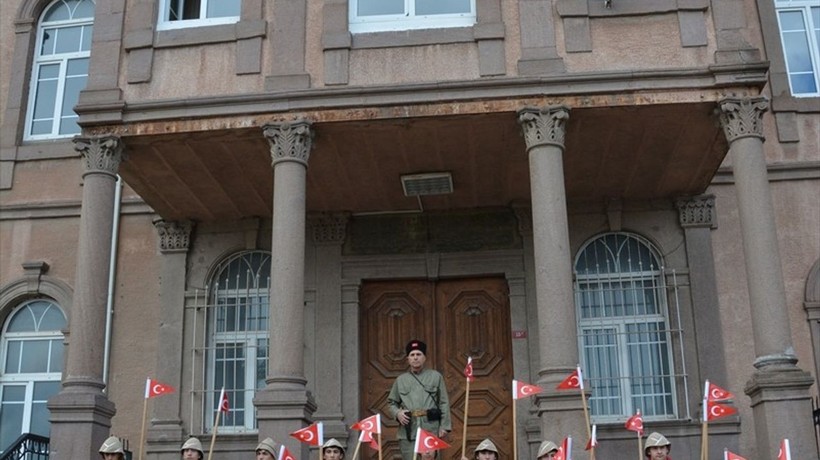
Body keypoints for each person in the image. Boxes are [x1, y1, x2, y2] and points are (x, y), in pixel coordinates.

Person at [388, 339, 452, 460]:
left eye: (418, 354)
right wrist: (397, 413)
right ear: (408, 359)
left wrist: (444, 425)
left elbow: (443, 402)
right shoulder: (401, 380)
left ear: (424, 358)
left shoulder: (435, 376)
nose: (415, 358)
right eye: (412, 355)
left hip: (430, 429)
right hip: (408, 431)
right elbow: (391, 402)